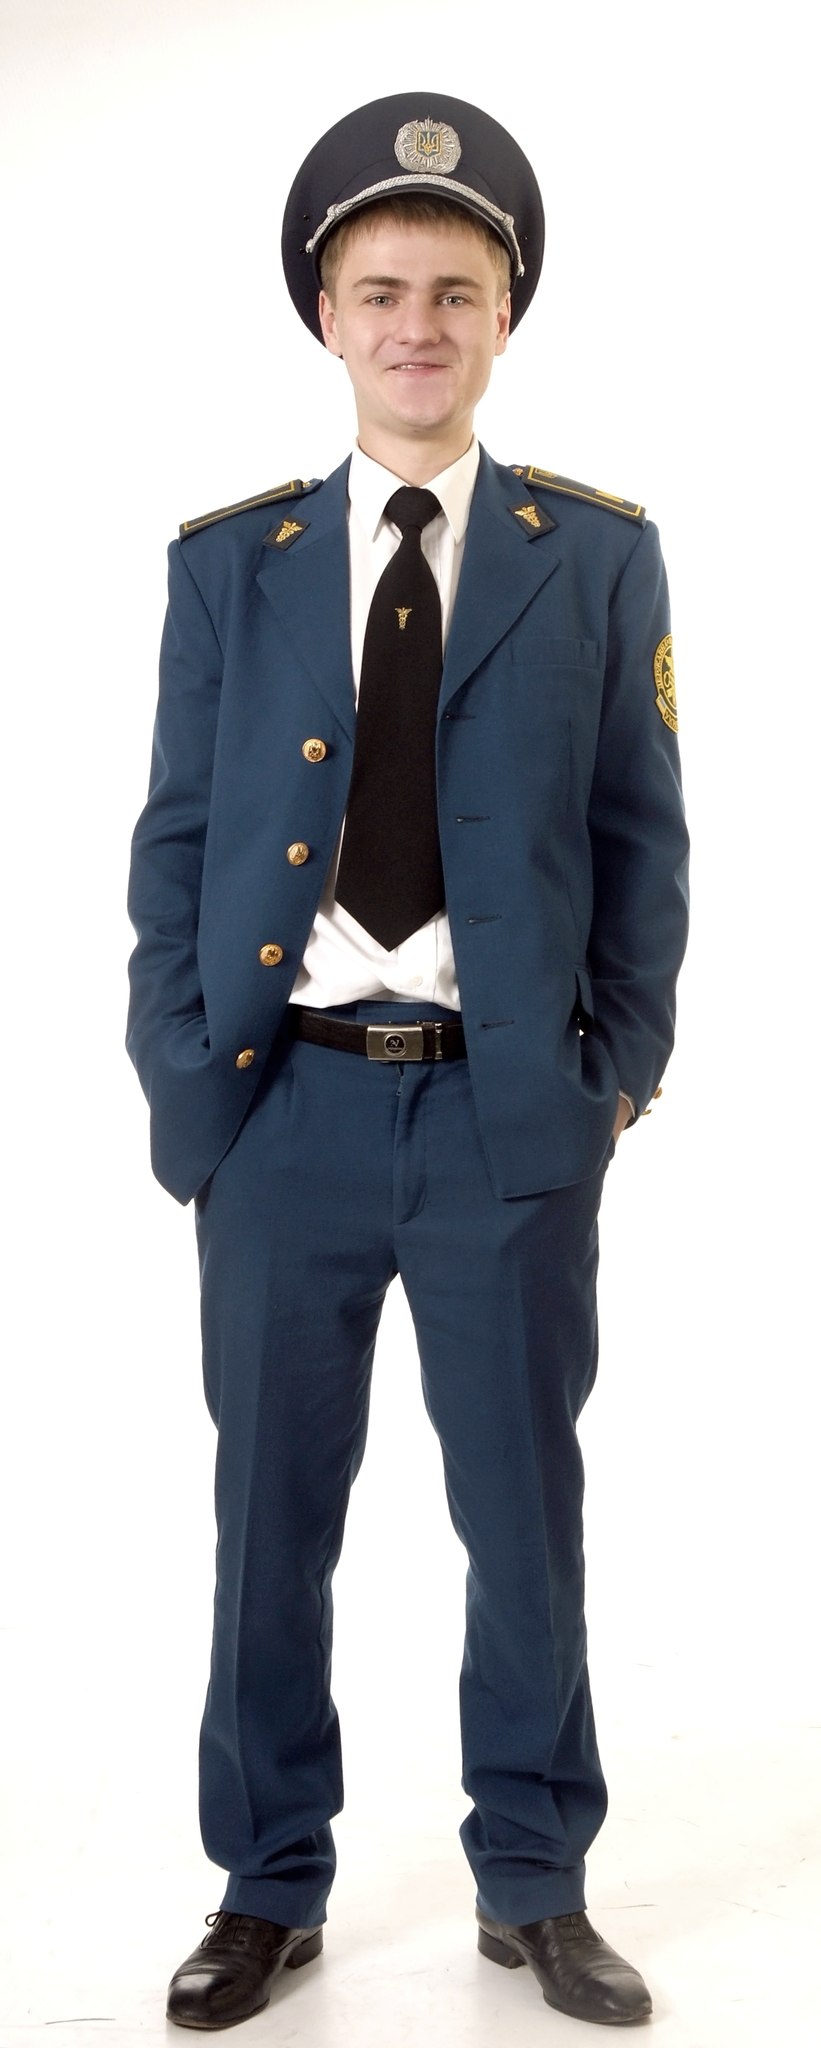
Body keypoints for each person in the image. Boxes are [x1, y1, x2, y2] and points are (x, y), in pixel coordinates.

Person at [126, 90, 689, 2032]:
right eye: (382, 292)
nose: (417, 324)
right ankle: (265, 1882)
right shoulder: (233, 565)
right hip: (278, 1109)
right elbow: (178, 838)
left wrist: (614, 1077)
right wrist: (187, 1082)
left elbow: (641, 837)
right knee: (268, 1525)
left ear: (504, 313)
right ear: (328, 316)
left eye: (454, 291)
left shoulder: (592, 556)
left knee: (523, 1521)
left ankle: (534, 1879)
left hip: (503, 1115)